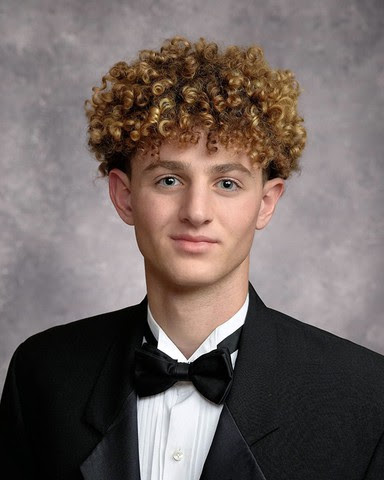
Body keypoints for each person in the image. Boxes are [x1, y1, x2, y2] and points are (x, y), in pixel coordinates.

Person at [0, 36, 383, 480]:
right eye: (168, 180)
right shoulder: (43, 374)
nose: (196, 212)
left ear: (266, 202)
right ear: (124, 197)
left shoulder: (366, 395)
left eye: (227, 184)